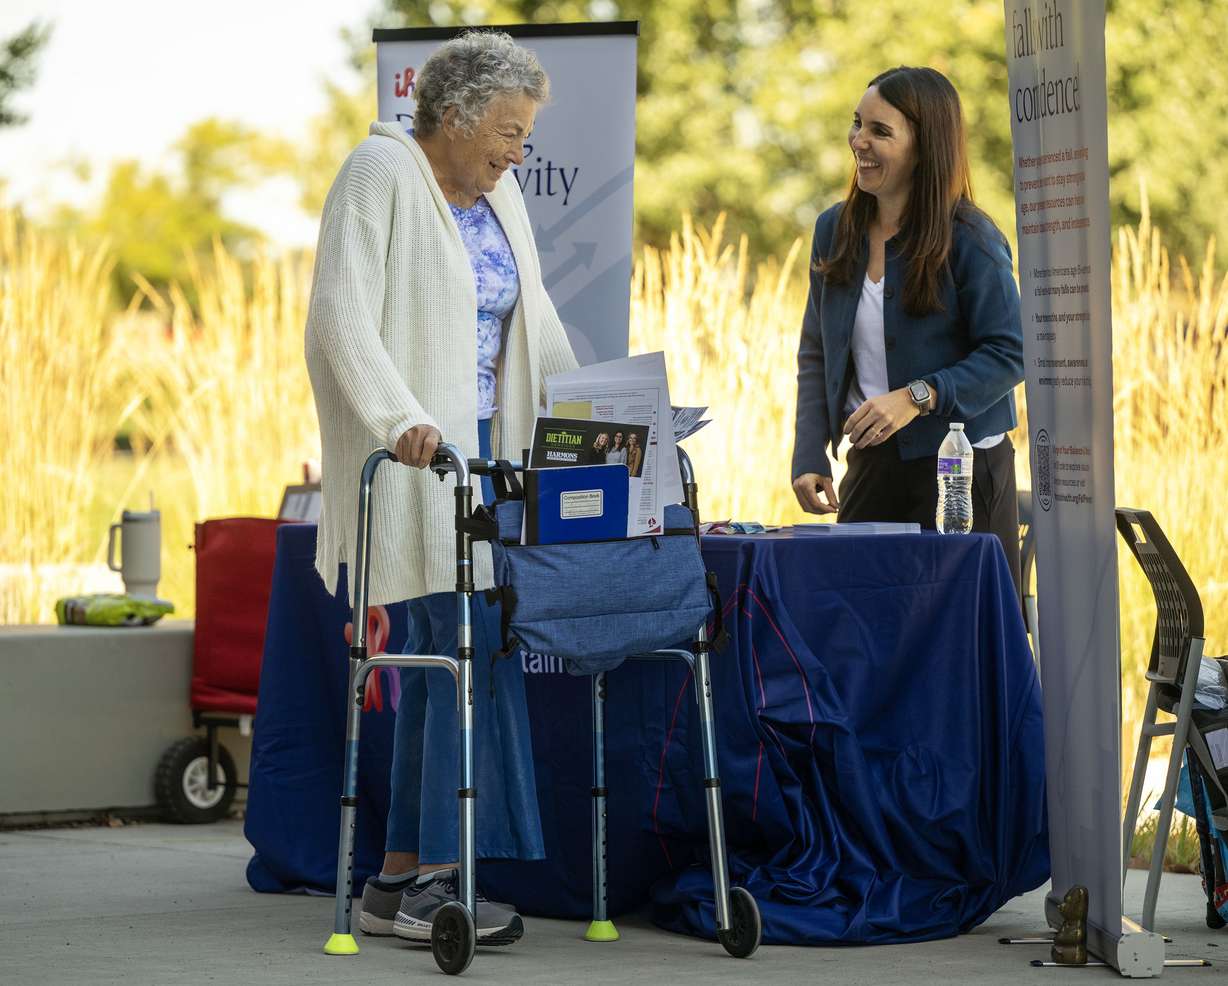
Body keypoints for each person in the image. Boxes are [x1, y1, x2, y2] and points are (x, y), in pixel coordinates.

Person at [304, 31, 578, 947]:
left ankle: (394, 882)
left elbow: (533, 325)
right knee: (451, 656)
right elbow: (339, 318)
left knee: (464, 653)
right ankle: (433, 880)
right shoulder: (378, 175)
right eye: (507, 132)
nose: (517, 153)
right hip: (421, 463)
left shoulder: (503, 204)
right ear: (454, 116)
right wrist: (397, 422)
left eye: (525, 137)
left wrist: (601, 415)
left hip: (490, 469)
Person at [790, 66, 1025, 592]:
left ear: (924, 146)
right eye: (857, 125)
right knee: (858, 635)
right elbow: (815, 352)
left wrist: (918, 396)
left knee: (957, 640)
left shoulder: (972, 238)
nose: (859, 142)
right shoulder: (834, 230)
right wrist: (809, 453)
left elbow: (1011, 351)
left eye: (880, 131)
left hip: (962, 472)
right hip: (871, 463)